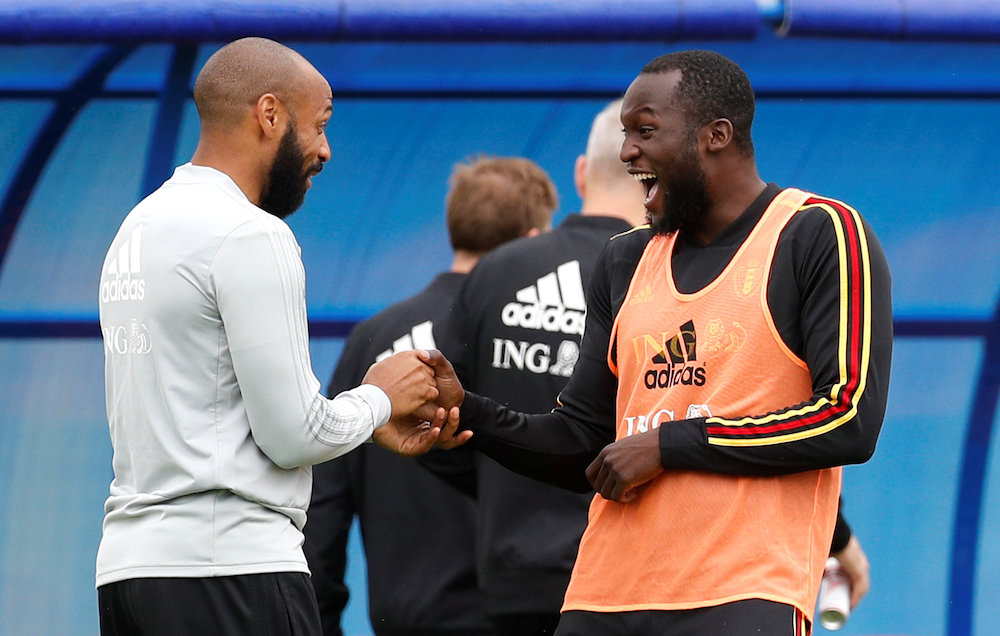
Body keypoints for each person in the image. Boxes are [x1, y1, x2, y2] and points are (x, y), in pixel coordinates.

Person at [434, 49, 893, 635]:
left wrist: (670, 444)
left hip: (743, 596)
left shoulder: (819, 233)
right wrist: (464, 410)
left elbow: (849, 417)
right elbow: (583, 440)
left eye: (645, 131)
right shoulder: (625, 258)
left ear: (716, 135)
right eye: (625, 135)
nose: (628, 153)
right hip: (601, 597)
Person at [96, 37, 455, 635]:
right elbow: (293, 435)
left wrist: (363, 425)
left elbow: (209, 418)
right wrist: (380, 398)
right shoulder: (248, 233)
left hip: (130, 579)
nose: (326, 149)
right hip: (233, 574)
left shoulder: (138, 227)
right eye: (320, 124)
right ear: (269, 115)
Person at [304, 156, 558, 636]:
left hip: (407, 619)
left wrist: (320, 621)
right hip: (522, 616)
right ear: (532, 244)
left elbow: (323, 502)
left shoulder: (372, 340)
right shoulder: (536, 341)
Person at [432, 99, 647, 636]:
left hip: (514, 575)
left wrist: (509, 484)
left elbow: (437, 416)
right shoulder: (661, 273)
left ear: (580, 172)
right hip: (628, 574)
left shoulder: (497, 268)